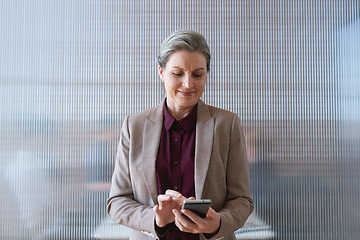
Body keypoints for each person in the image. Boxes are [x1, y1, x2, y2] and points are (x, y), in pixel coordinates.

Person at [107, 30, 253, 240]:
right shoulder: (134, 126)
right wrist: (156, 219)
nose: (188, 84)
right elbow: (117, 202)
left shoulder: (226, 125)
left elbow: (242, 200)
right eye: (177, 73)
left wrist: (217, 224)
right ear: (161, 72)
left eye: (198, 74)